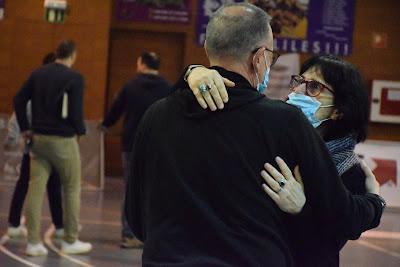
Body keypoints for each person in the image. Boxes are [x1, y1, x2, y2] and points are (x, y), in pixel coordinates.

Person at [125, 3, 383, 266]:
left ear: (207, 48)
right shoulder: (285, 124)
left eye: (314, 87)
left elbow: (136, 219)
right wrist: (375, 203)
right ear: (259, 57)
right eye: (271, 55)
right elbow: (342, 218)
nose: (299, 92)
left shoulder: (156, 115)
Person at [183, 55, 385, 266]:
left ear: (337, 111)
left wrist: (301, 211)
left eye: (314, 87)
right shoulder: (276, 136)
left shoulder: (348, 171)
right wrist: (194, 71)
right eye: (299, 82)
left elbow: (324, 250)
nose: (298, 91)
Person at [14, 40, 91, 256]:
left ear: (56, 53)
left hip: (38, 139)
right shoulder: (75, 78)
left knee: (35, 191)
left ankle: (33, 243)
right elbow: (76, 111)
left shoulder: (38, 73)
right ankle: (70, 240)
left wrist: (25, 128)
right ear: (73, 55)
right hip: (64, 141)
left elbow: (19, 99)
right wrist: (81, 131)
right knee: (71, 188)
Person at [100, 51, 170, 248]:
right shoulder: (167, 88)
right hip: (158, 146)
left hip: (131, 145)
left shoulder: (130, 85)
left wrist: (105, 125)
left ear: (141, 64)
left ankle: (129, 234)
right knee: (154, 190)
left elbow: (116, 109)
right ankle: (151, 235)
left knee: (130, 190)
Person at [4, 52, 64, 239]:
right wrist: (13, 138)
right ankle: (18, 225)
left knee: (51, 185)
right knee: (29, 186)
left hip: (47, 147)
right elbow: (17, 114)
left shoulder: (50, 89)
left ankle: (59, 226)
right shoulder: (36, 89)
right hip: (36, 149)